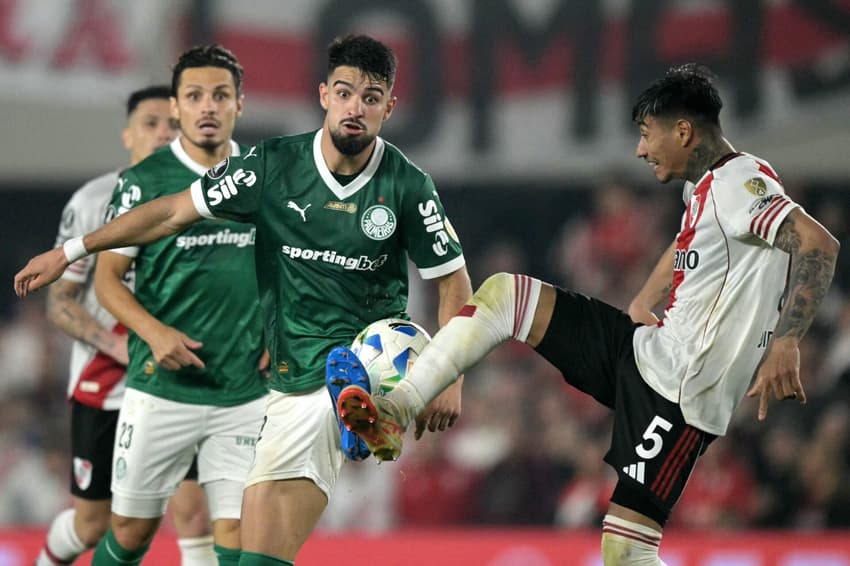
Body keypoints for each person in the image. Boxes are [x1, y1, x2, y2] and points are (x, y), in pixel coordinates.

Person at [332, 64, 839, 565]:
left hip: (680, 398)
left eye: (647, 134)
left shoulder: (740, 184)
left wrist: (788, 342)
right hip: (647, 354)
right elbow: (693, 243)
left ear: (683, 132)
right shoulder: (704, 185)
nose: (641, 149)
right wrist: (646, 295)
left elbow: (818, 242)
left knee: (626, 552)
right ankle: (396, 410)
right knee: (507, 294)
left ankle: (397, 409)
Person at [14, 35, 471, 566]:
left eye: (371, 98)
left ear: (389, 107)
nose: (355, 108)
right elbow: (169, 213)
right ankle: (369, 420)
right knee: (250, 558)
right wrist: (72, 250)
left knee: (392, 347)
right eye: (345, 93)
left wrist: (453, 374)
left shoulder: (409, 188)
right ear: (324, 95)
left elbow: (452, 281)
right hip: (285, 385)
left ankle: (374, 412)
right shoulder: (272, 168)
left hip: (341, 366)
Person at [38, 45, 268, 566]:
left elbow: (285, 265)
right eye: (194, 96)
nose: (207, 106)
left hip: (242, 391)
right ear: (177, 107)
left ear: (240, 104)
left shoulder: (264, 175)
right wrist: (154, 333)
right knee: (123, 530)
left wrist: (277, 330)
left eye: (220, 95)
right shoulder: (135, 185)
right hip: (155, 386)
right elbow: (104, 285)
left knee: (230, 527)